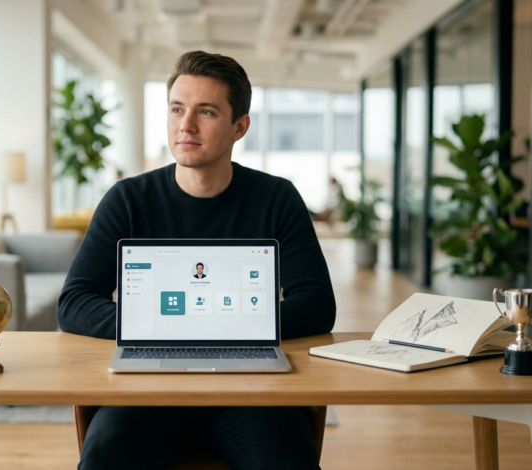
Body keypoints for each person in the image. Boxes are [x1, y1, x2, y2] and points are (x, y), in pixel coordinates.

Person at [57, 50, 336, 470]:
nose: (185, 125)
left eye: (205, 111)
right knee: (102, 459)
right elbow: (74, 301)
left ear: (239, 126)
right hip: (146, 392)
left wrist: (225, 327)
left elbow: (317, 303)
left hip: (250, 395)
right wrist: (158, 328)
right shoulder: (128, 200)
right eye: (176, 109)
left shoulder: (276, 198)